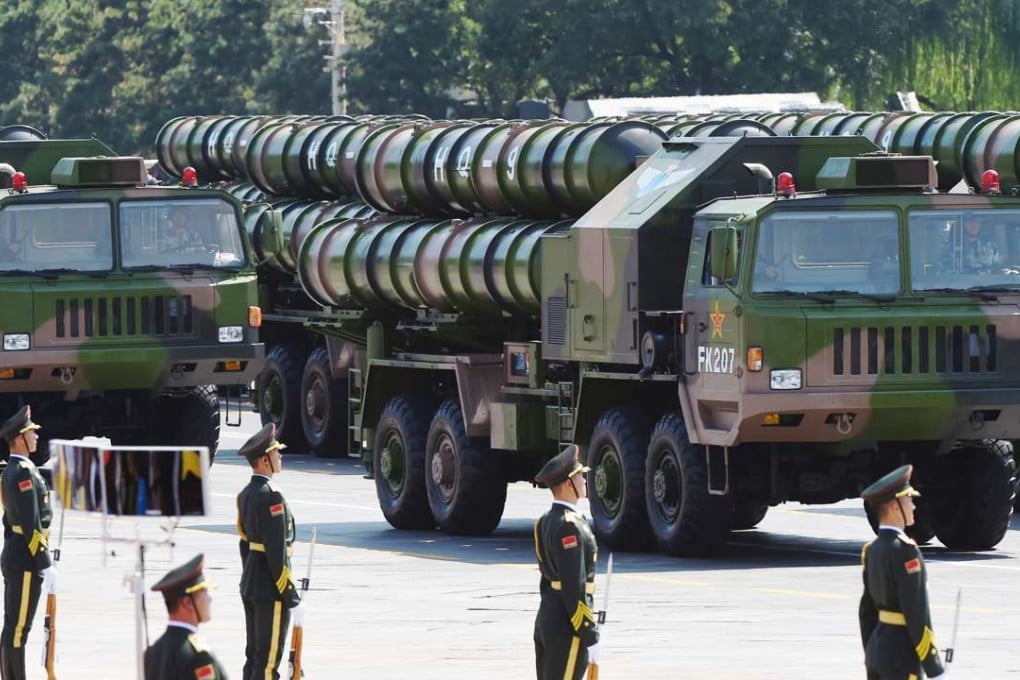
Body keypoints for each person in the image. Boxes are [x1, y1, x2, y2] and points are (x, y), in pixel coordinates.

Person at [858, 465, 945, 679]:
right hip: (901, 655)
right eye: (908, 500)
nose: (913, 506)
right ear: (895, 506)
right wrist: (934, 667)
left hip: (877, 649)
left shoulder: (871, 550)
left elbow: (866, 611)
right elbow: (916, 613)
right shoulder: (906, 552)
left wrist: (872, 650)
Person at [236, 424, 302, 680]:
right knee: (267, 663)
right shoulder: (271, 497)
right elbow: (277, 552)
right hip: (271, 588)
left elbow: (245, 544)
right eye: (276, 453)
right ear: (265, 460)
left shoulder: (246, 495)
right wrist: (291, 596)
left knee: (254, 657)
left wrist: (250, 578)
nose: (280, 457)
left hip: (251, 583)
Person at [533, 445, 600, 680]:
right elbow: (574, 586)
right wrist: (588, 631)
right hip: (567, 625)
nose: (584, 480)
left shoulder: (545, 521)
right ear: (567, 483)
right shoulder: (568, 525)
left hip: (550, 617)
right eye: (580, 475)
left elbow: (547, 582)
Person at [0, 405, 56, 680]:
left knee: (13, 626)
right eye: (32, 433)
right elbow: (30, 522)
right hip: (25, 557)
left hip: (18, 554)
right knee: (18, 628)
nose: (36, 437)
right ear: (20, 437)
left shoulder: (13, 469)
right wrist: (44, 562)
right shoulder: (22, 472)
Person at [144, 553, 228, 680]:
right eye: (204, 593)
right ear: (188, 603)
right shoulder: (198, 656)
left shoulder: (154, 653)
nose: (209, 600)